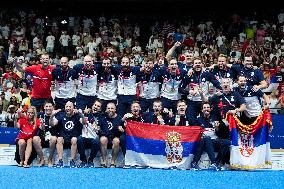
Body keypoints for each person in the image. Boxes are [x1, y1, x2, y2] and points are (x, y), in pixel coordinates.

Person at [190, 102, 230, 171]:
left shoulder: (215, 118)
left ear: (210, 109)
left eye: (208, 107)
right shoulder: (198, 120)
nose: (206, 109)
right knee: (207, 138)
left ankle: (216, 163)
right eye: (204, 108)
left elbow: (220, 133)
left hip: (214, 141)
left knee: (227, 142)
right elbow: (194, 132)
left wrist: (217, 128)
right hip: (203, 143)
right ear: (202, 110)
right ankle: (212, 162)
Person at [50, 101, 87, 168]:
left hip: (73, 137)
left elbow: (84, 123)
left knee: (74, 139)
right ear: (65, 108)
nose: (68, 108)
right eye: (67, 106)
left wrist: (81, 114)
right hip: (63, 137)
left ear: (73, 108)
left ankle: (72, 160)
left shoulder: (77, 115)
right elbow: (52, 124)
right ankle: (60, 161)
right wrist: (52, 115)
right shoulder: (61, 115)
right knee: (59, 139)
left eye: (70, 107)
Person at [33, 101, 61, 167]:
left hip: (52, 136)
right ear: (44, 107)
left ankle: (50, 159)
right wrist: (42, 123)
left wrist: (52, 115)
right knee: (35, 138)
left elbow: (53, 124)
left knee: (53, 139)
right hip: (43, 136)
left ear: (53, 108)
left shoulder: (57, 115)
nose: (48, 108)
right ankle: (42, 159)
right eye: (46, 106)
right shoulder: (40, 115)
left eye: (50, 106)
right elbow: (42, 128)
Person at [77, 100, 102, 168]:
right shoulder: (86, 114)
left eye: (98, 106)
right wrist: (83, 115)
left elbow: (102, 129)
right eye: (95, 105)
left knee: (96, 141)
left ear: (100, 109)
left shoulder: (101, 117)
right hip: (84, 136)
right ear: (92, 106)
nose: (96, 107)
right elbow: (83, 122)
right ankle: (83, 160)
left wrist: (99, 129)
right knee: (79, 139)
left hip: (94, 137)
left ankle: (90, 160)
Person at [100, 103, 123, 167]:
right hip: (105, 136)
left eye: (112, 108)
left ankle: (113, 162)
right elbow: (98, 127)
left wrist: (121, 129)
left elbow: (123, 130)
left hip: (114, 137)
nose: (110, 110)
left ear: (115, 109)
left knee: (116, 141)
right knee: (103, 139)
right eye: (108, 108)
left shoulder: (119, 118)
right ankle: (104, 161)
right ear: (106, 109)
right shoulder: (103, 116)